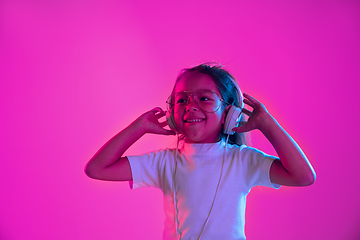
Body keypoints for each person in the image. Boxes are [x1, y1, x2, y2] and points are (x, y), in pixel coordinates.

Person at [85, 63, 316, 240]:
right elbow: (97, 169)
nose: (191, 105)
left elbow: (303, 176)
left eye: (204, 98)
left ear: (229, 113)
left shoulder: (242, 160)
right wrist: (139, 128)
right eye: (182, 100)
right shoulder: (164, 162)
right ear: (171, 113)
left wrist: (267, 123)